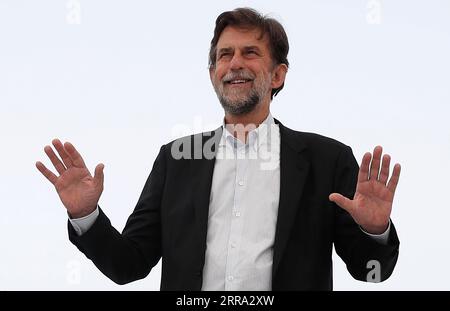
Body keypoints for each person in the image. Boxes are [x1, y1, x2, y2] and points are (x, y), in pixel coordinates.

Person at [36, 7, 401, 290]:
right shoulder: (175, 160)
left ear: (278, 75)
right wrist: (87, 217)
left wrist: (375, 231)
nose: (235, 63)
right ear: (213, 73)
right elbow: (128, 265)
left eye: (250, 52)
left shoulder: (328, 160)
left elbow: (371, 272)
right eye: (224, 55)